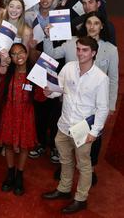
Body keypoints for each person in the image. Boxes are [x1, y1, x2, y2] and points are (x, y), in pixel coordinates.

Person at [42, 37, 109, 214]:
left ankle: (81, 199)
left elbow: (102, 108)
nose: (80, 53)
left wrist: (95, 132)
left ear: (93, 53)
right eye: (78, 49)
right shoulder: (69, 67)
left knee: (84, 166)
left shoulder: (101, 78)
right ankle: (64, 189)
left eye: (84, 50)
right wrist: (49, 92)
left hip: (83, 130)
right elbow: (59, 90)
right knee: (65, 161)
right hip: (64, 125)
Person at [0, 43, 37, 196]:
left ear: (26, 54)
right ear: (10, 57)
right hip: (10, 112)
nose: (18, 56)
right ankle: (10, 173)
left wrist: (44, 88)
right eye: (13, 54)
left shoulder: (34, 74)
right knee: (7, 143)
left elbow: (39, 97)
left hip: (26, 114)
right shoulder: (8, 74)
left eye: (21, 52)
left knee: (24, 146)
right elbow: (0, 94)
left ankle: (19, 175)